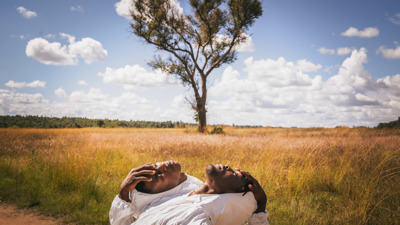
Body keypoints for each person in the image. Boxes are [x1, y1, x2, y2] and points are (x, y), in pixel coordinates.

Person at [110, 161, 269, 225]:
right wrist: (124, 193)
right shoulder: (168, 199)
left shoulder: (198, 216)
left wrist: (260, 206)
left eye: (234, 173)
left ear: (239, 191)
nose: (228, 165)